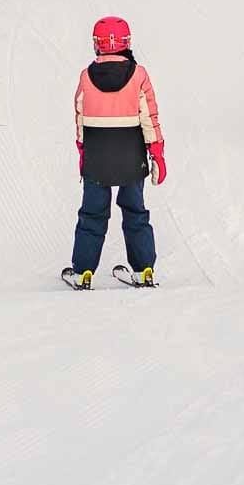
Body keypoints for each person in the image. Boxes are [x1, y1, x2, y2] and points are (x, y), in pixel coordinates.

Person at [62, 16, 166, 289]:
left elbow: (80, 117)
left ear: (97, 44)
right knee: (135, 211)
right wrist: (157, 153)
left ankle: (83, 271)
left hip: (98, 158)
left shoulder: (86, 76)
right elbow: (149, 117)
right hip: (131, 157)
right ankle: (144, 270)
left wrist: (83, 151)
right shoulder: (139, 75)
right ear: (127, 42)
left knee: (93, 214)